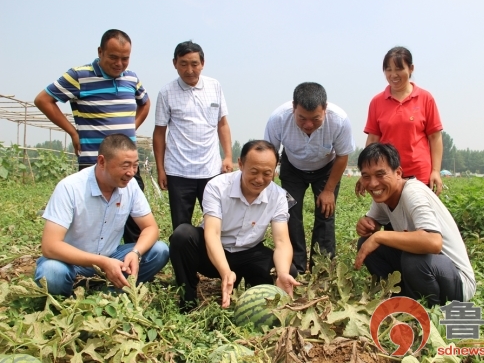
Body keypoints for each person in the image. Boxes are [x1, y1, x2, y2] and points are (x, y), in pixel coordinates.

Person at [34, 29, 150, 244]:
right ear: (100, 52)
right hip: (94, 162)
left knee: (134, 219)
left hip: (128, 163)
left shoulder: (131, 78)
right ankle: (91, 266)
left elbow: (145, 103)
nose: (119, 64)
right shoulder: (79, 76)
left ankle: (132, 266)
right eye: (113, 57)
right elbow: (43, 100)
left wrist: (131, 128)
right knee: (94, 221)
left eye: (125, 58)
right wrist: (72, 131)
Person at [169, 140, 300, 312]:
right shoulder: (217, 186)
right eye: (254, 172)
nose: (260, 179)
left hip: (249, 253)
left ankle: (253, 294)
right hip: (214, 253)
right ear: (240, 164)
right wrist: (225, 271)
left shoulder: (279, 196)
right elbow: (212, 234)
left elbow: (282, 242)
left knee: (287, 269)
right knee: (182, 236)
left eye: (267, 173)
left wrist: (282, 273)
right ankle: (188, 299)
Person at [34, 134, 169, 296]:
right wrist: (102, 262)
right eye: (125, 165)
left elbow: (150, 228)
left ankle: (108, 291)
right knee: (52, 272)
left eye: (135, 165)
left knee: (159, 250)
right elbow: (50, 246)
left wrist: (135, 253)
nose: (131, 172)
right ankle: (72, 293)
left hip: (112, 256)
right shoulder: (70, 188)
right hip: (71, 261)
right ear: (102, 162)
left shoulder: (131, 186)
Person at [354, 143, 475, 307]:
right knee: (367, 244)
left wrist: (380, 235)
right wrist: (366, 225)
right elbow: (372, 223)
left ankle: (430, 312)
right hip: (427, 270)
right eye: (366, 176)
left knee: (413, 259)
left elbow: (433, 242)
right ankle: (399, 297)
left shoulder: (413, 192)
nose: (373, 184)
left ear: (398, 173)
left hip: (456, 280)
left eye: (380, 174)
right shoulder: (384, 195)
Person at [264, 82, 355, 273]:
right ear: (293, 107)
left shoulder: (339, 120)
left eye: (315, 119)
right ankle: (295, 266)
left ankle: (322, 268)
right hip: (292, 168)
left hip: (326, 168)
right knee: (290, 213)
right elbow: (269, 155)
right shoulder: (278, 118)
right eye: (302, 118)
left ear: (325, 109)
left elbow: (342, 155)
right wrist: (268, 189)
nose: (308, 125)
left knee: (325, 214)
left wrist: (329, 190)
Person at [154, 41, 233, 231]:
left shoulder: (214, 86)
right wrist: (161, 169)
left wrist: (228, 156)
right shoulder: (166, 93)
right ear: (175, 63)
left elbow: (222, 124)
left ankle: (211, 260)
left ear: (202, 63)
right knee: (181, 227)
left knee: (216, 222)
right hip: (178, 171)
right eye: (183, 64)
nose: (189, 70)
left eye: (194, 64)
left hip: (211, 169)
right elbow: (159, 133)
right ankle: (184, 261)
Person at [356, 46, 444, 197]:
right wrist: (367, 172)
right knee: (390, 219)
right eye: (388, 69)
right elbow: (373, 139)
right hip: (387, 175)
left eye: (398, 69)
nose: (393, 75)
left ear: (411, 69)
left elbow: (435, 137)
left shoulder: (425, 98)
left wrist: (435, 171)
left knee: (418, 218)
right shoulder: (377, 102)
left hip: (419, 175)